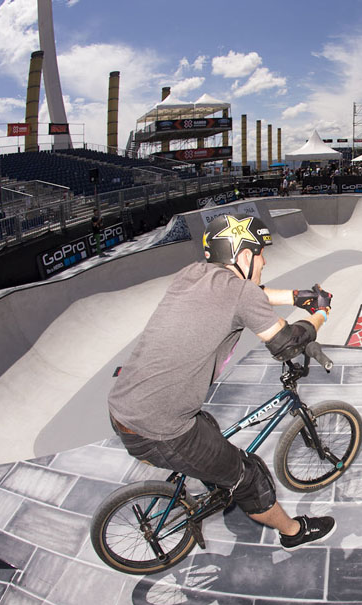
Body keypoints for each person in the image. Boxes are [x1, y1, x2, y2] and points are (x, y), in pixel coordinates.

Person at [108, 214, 337, 550]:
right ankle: (293, 532)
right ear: (243, 256)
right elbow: (286, 344)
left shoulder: (193, 274)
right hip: (159, 428)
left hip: (123, 405)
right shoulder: (241, 293)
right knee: (251, 475)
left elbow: (249, 293)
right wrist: (320, 313)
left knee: (210, 426)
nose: (264, 262)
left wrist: (296, 296)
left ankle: (216, 478)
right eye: (260, 255)